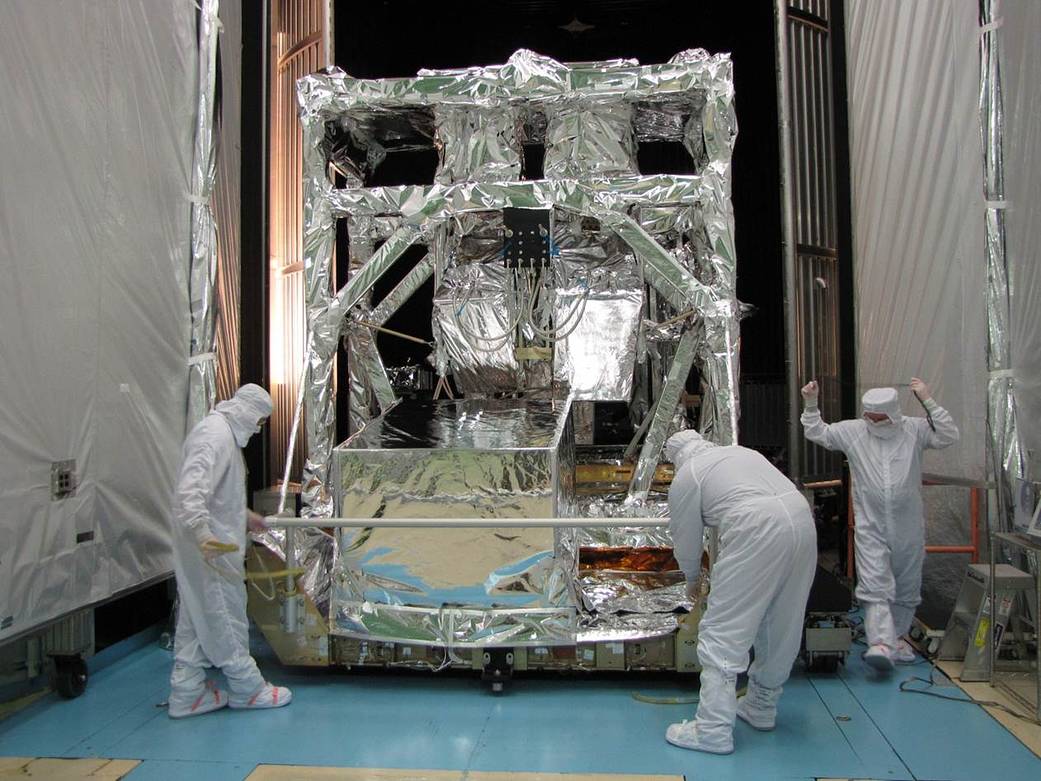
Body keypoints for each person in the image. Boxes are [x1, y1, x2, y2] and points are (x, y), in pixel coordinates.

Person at [663, 430, 817, 754]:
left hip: (756, 526)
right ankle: (762, 707)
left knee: (724, 629)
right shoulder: (741, 453)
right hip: (800, 518)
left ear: (675, 457)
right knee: (782, 621)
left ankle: (712, 730)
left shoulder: (688, 474)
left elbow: (686, 538)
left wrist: (692, 578)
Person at [800, 377, 959, 671]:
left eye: (880, 417)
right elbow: (817, 431)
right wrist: (811, 403)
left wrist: (928, 400)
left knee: (906, 583)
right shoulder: (854, 432)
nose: (874, 421)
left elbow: (948, 435)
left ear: (893, 414)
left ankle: (897, 637)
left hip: (908, 525)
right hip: (871, 524)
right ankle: (880, 643)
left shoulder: (914, 429)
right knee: (875, 583)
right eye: (870, 416)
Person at [167, 383, 293, 718]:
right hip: (211, 549)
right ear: (247, 410)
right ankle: (247, 688)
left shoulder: (220, 435)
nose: (258, 427)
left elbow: (218, 496)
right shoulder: (215, 437)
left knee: (196, 615)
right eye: (260, 420)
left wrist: (245, 516)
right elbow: (190, 494)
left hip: (209, 543)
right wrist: (204, 535)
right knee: (225, 615)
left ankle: (187, 691)